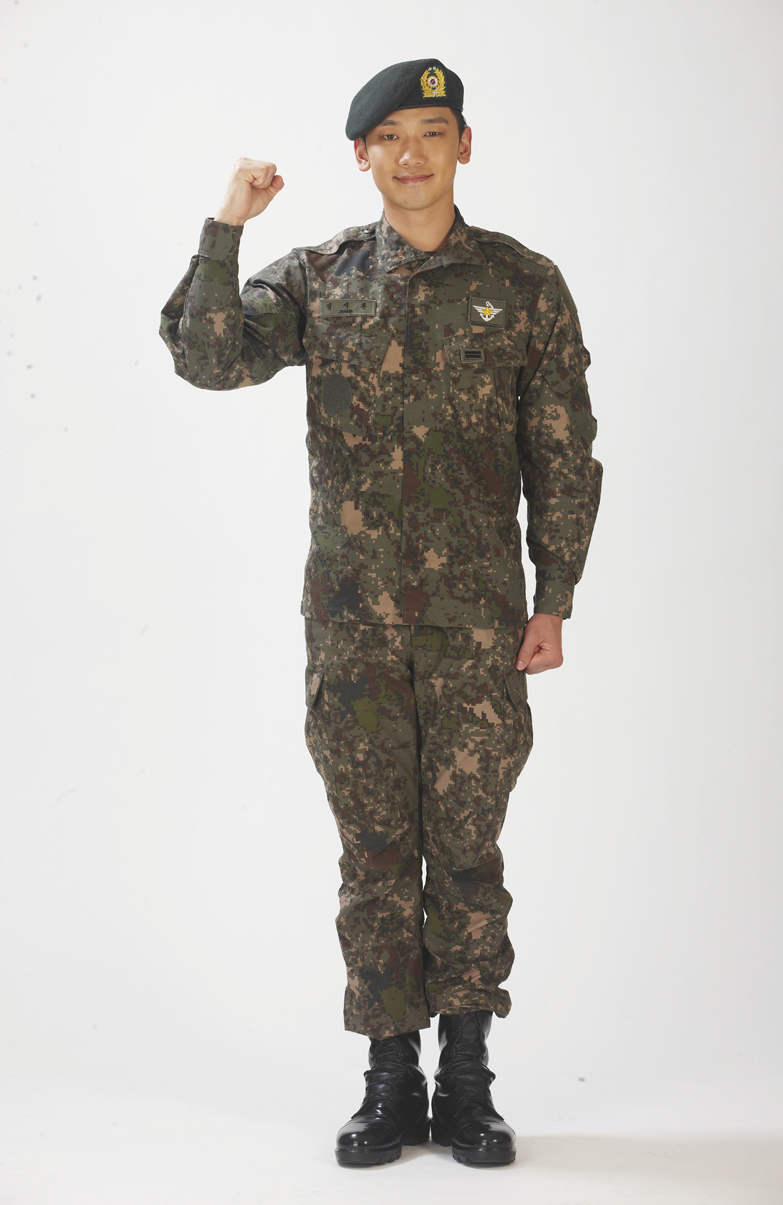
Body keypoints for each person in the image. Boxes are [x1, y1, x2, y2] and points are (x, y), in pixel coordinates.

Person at [160, 57, 602, 1169]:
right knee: (373, 855)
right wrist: (227, 225)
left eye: (432, 132)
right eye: (390, 136)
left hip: (476, 628)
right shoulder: (321, 278)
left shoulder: (523, 283)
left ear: (465, 147)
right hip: (354, 629)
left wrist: (555, 595)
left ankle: (467, 1081)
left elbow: (562, 450)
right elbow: (206, 359)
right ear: (360, 156)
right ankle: (388, 1079)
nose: (412, 153)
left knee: (466, 853)